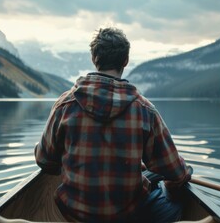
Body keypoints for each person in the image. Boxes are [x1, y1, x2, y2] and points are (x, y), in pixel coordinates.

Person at [35, 27, 193, 222]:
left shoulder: (64, 105)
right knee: (173, 195)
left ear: (94, 59)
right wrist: (181, 175)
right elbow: (176, 172)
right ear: (125, 61)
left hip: (75, 215)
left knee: (153, 177)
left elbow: (45, 161)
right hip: (128, 216)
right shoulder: (145, 110)